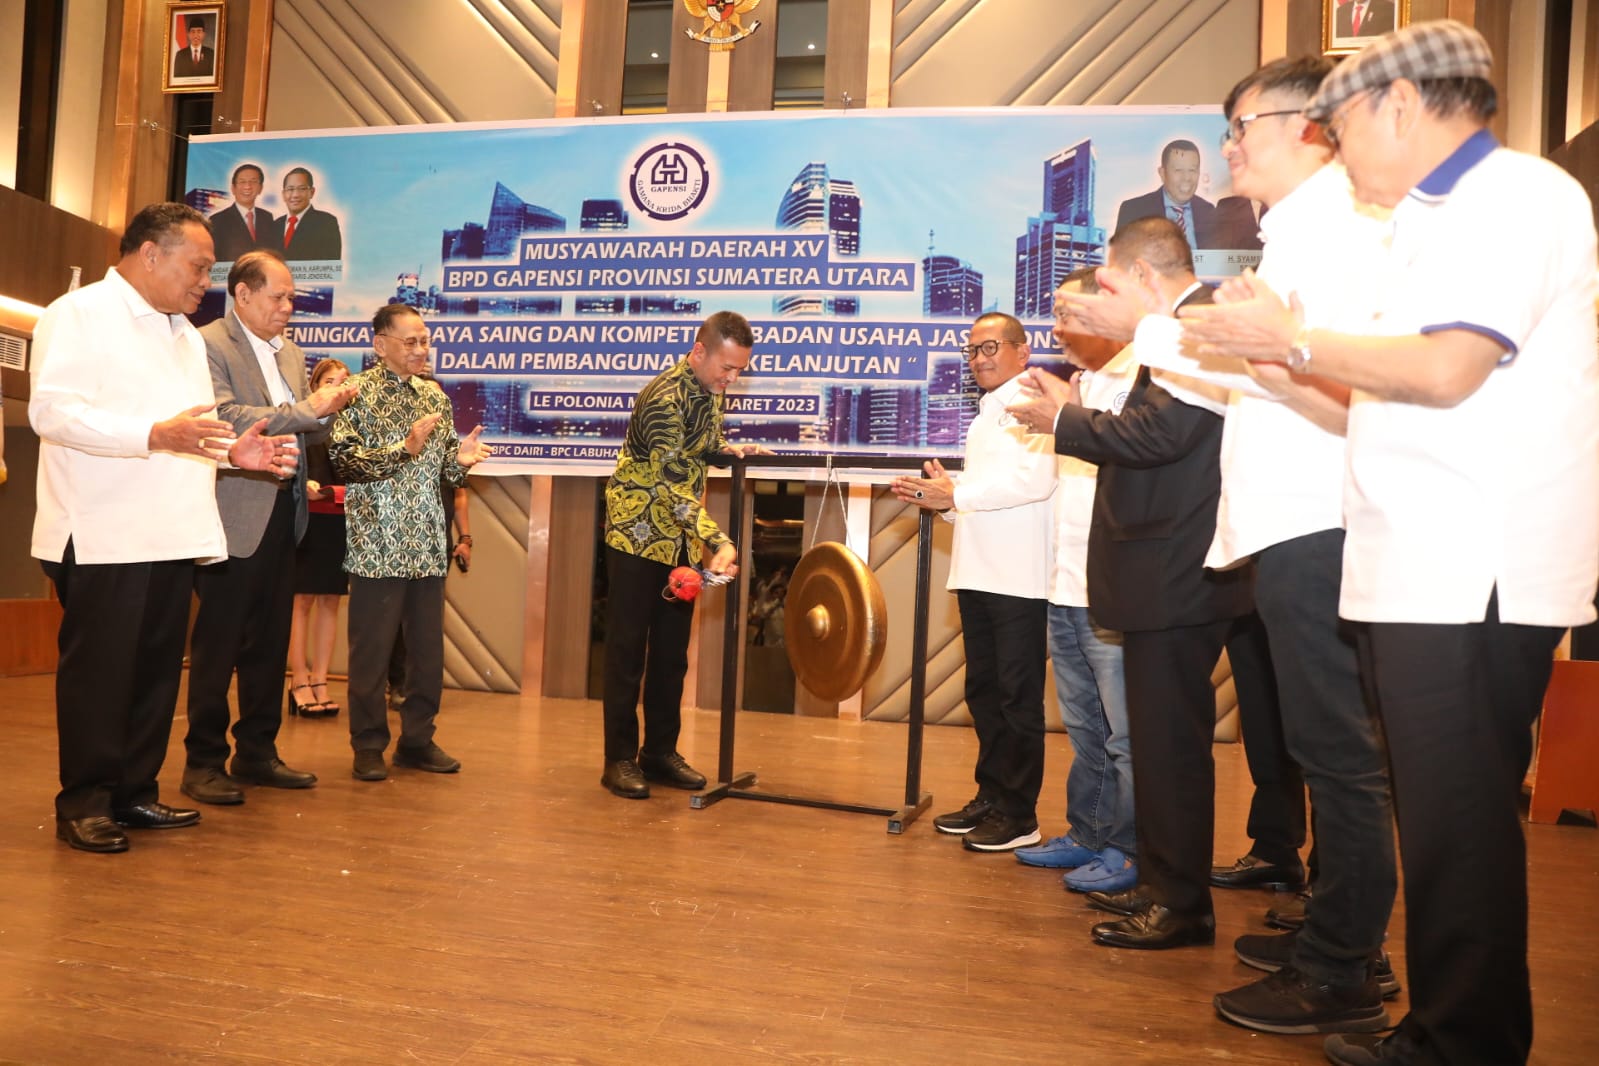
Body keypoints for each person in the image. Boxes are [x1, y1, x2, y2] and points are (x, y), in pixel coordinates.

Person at [1178, 22, 1598, 1064]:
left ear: (1400, 107)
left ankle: (1460, 1042)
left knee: (1458, 828)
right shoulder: (1426, 219)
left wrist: (1294, 340)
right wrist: (1270, 358)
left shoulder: (1518, 196)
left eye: (1340, 122)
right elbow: (1361, 405)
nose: (1335, 147)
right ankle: (1451, 1027)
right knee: (1445, 824)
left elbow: (1450, 368)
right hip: (1417, 562)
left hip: (1471, 565)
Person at [1076, 55, 1404, 1037]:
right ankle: (1329, 944)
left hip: (1313, 518)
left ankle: (1343, 965)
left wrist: (1154, 328)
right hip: (1280, 526)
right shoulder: (1293, 233)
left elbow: (1318, 376)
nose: (1228, 149)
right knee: (1318, 748)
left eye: (1241, 128)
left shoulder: (1339, 231)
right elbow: (1255, 366)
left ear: (1311, 126)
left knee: (1338, 758)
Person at [1007, 216, 1251, 949]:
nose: (1100, 298)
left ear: (1144, 275)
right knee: (1157, 742)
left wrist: (1066, 421)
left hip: (1176, 571)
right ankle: (1159, 885)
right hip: (1160, 571)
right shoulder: (1171, 336)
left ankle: (1180, 905)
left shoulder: (1194, 328)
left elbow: (1162, 437)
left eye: (1108, 281)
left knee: (1170, 748)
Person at [29, 202, 298, 853]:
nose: (204, 281)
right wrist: (152, 434)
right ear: (150, 253)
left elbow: (191, 431)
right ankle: (85, 801)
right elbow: (52, 414)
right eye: (198, 266)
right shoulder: (79, 314)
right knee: (102, 674)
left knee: (153, 670)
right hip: (102, 533)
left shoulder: (181, 334)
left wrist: (233, 453)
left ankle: (134, 792)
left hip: (172, 530)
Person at [182, 250, 357, 806]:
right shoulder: (206, 343)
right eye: (279, 297)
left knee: (270, 639)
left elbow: (300, 428)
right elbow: (229, 417)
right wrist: (312, 407)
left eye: (291, 298)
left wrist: (321, 415)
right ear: (242, 294)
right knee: (219, 643)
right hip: (234, 513)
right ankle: (203, 761)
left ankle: (257, 751)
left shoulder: (291, 354)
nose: (289, 307)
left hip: (285, 512)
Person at [892, 311, 1057, 852]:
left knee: (1017, 698)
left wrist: (956, 496)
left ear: (1022, 350)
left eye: (991, 347)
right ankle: (991, 795)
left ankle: (1020, 813)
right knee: (984, 692)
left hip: (1020, 577)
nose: (980, 358)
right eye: (973, 351)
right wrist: (943, 499)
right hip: (979, 569)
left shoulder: (1036, 403)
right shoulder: (985, 414)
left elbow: (1034, 481)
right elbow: (984, 493)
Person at [599, 311, 762, 800]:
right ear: (699, 351)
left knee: (671, 655)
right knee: (628, 653)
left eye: (738, 371)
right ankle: (619, 760)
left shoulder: (709, 389)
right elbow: (672, 487)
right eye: (726, 368)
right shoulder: (663, 400)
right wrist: (723, 542)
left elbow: (700, 445)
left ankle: (659, 753)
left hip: (680, 542)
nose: (731, 379)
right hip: (637, 535)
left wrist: (725, 452)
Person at [1010, 270, 1136, 888]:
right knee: (1087, 729)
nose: (1058, 330)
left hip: (1112, 591)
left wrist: (1069, 412)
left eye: (1070, 316)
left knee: (1126, 735)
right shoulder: (1081, 383)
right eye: (1056, 317)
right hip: (1066, 586)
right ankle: (1088, 834)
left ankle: (1129, 848)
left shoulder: (1144, 378)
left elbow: (1134, 462)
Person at [329, 305, 491, 781]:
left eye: (425, 341)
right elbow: (345, 463)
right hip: (376, 544)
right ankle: (368, 745)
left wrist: (462, 461)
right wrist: (403, 449)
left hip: (426, 544)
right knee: (371, 652)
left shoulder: (435, 398)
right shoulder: (353, 395)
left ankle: (417, 740)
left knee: (425, 653)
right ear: (380, 345)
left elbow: (445, 474)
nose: (421, 350)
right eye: (411, 341)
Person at [288, 358, 353, 719]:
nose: (337, 387)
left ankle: (320, 681)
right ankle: (297, 681)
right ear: (314, 387)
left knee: (330, 601)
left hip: (339, 520)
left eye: (344, 382)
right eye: (329, 381)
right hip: (307, 519)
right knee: (301, 602)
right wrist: (304, 482)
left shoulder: (353, 426)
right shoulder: (304, 419)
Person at [1116, 140, 1217, 249]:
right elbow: (1121, 261)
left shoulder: (1209, 212)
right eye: (1178, 170)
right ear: (1162, 173)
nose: (1187, 178)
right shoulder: (1133, 211)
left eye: (1192, 170)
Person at [208, 164, 279, 263]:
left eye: (253, 182)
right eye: (242, 182)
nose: (247, 186)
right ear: (233, 188)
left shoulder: (267, 217)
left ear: (260, 188)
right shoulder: (217, 220)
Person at [273, 168, 342, 261]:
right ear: (283, 194)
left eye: (302, 189)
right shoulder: (275, 225)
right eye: (290, 189)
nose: (295, 195)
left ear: (312, 192)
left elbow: (329, 266)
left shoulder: (326, 223)